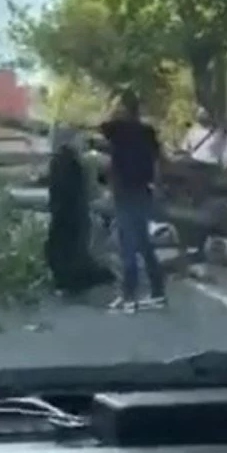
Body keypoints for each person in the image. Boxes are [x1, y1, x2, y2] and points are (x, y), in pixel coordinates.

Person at [100, 91, 166, 313]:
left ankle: (129, 296)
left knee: (127, 244)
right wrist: (156, 187)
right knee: (143, 242)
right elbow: (158, 162)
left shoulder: (116, 130)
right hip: (143, 190)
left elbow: (103, 125)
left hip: (124, 190)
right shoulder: (147, 132)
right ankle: (158, 291)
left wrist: (112, 107)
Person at [45, 125, 114, 296]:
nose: (84, 144)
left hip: (63, 214)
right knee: (73, 246)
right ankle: (75, 280)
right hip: (72, 214)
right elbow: (85, 190)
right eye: (80, 140)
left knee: (64, 245)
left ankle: (67, 281)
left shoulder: (59, 161)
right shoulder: (74, 162)